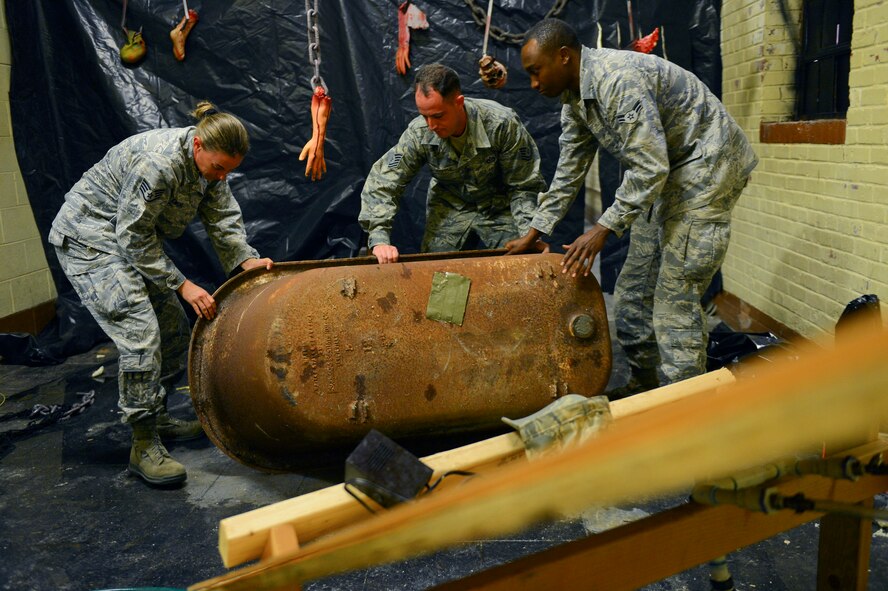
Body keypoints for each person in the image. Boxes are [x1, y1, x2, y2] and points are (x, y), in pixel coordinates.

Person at [507, 19, 757, 392]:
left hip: (708, 168)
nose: (533, 83)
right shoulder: (574, 99)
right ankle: (644, 386)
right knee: (632, 296)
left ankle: (686, 406)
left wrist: (603, 229)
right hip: (665, 176)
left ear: (563, 57)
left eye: (535, 71)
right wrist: (535, 230)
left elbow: (650, 165)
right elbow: (569, 170)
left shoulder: (617, 80)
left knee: (675, 298)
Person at [49, 101, 273, 486]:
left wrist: (244, 262)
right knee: (140, 334)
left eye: (229, 171)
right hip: (89, 239)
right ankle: (143, 443)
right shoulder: (159, 164)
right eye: (218, 168)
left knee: (172, 328)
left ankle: (159, 413)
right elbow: (132, 236)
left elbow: (222, 217)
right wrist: (183, 285)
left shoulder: (213, 170)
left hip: (127, 238)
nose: (222, 178)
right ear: (198, 145)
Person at [359, 63, 546, 263]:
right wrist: (379, 239)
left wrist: (530, 235)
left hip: (500, 206)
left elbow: (524, 186)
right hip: (450, 206)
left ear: (458, 102)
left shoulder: (502, 124)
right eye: (424, 116)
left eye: (438, 116)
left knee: (525, 266)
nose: (431, 126)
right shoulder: (419, 132)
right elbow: (385, 181)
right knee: (435, 275)